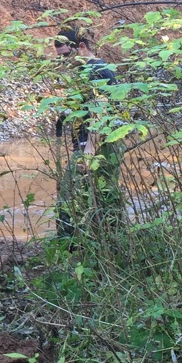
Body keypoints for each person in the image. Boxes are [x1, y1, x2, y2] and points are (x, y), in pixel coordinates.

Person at [52, 26, 123, 237]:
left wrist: (90, 148)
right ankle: (98, 243)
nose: (63, 61)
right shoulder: (85, 71)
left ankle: (75, 247)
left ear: (81, 47)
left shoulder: (96, 70)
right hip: (89, 145)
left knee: (71, 200)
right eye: (60, 58)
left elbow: (100, 108)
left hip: (99, 146)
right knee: (94, 199)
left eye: (66, 55)